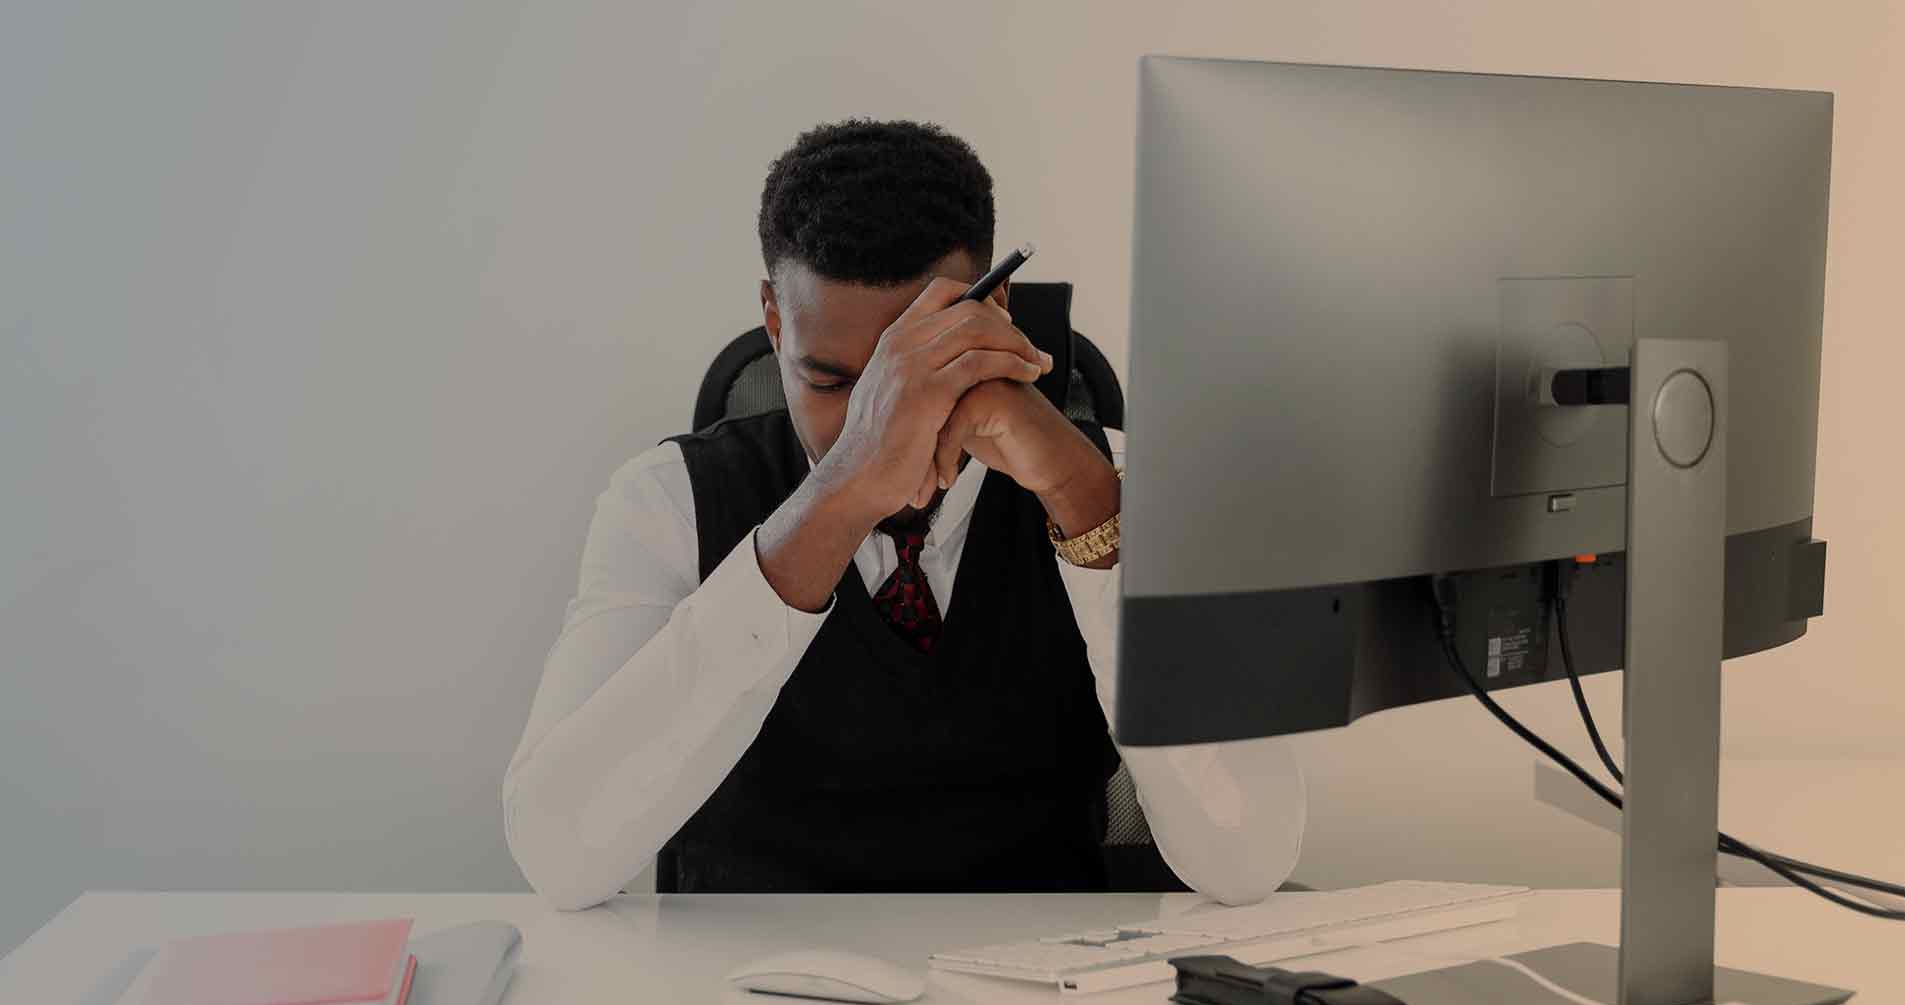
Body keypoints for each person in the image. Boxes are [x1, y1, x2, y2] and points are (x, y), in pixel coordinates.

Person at [503, 119, 1305, 909]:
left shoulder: (1124, 484)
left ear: (995, 316)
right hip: (739, 997)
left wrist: (1087, 507)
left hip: (1046, 996)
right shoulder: (666, 500)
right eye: (832, 383)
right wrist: (842, 491)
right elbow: (560, 857)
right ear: (775, 322)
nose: (879, 422)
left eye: (913, 374)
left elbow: (1248, 862)